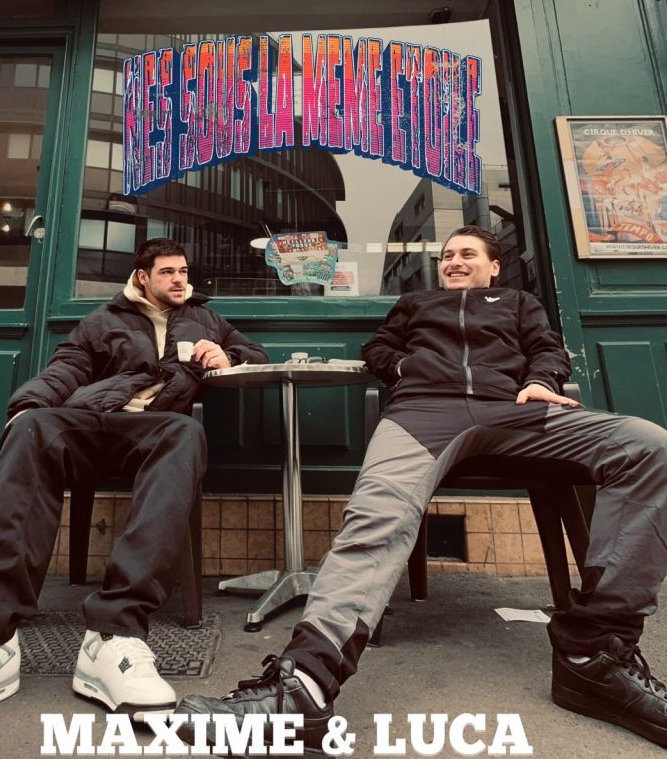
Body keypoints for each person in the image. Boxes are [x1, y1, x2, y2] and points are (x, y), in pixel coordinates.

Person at [176, 225, 667, 752]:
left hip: (515, 410)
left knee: (648, 445)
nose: (453, 261)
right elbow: (378, 348)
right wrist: (408, 366)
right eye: (447, 255)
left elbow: (547, 348)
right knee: (376, 517)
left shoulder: (520, 303)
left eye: (467, 254)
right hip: (423, 412)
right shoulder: (416, 303)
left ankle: (594, 655)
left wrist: (541, 382)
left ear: (494, 266)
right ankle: (304, 688)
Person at [0, 237, 267, 748]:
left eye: (184, 271)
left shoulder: (206, 319)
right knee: (32, 427)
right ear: (142, 276)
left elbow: (255, 356)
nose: (180, 280)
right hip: (92, 423)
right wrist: (28, 405)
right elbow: (68, 367)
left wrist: (225, 354)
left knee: (186, 433)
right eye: (168, 272)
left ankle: (115, 634)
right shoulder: (105, 319)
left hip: (155, 429)